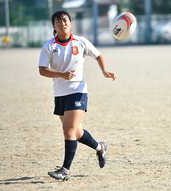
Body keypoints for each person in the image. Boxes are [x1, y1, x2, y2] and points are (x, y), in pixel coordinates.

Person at [39, 10, 116, 181]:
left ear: (70, 23)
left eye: (65, 20)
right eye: (58, 21)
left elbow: (98, 55)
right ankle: (100, 147)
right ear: (53, 26)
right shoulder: (49, 46)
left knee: (68, 130)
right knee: (77, 132)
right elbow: (42, 70)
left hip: (78, 91)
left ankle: (65, 170)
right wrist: (61, 74)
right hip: (60, 94)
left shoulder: (80, 42)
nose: (62, 23)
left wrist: (104, 71)